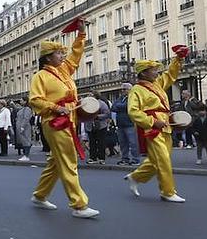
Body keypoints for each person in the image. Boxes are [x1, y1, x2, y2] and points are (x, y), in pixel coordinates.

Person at [28, 22, 100, 218]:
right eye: (59, 53)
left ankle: (40, 195)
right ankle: (79, 205)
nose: (62, 56)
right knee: (69, 161)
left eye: (62, 53)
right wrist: (55, 107)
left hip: (69, 120)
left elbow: (76, 55)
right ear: (47, 58)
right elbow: (35, 99)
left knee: (56, 161)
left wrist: (82, 34)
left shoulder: (63, 70)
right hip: (55, 122)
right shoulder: (40, 76)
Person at [125, 51, 187, 202]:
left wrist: (178, 59)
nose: (156, 72)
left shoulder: (157, 84)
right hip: (151, 128)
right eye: (153, 70)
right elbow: (133, 112)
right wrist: (152, 122)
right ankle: (167, 191)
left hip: (166, 125)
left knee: (157, 160)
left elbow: (170, 75)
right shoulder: (136, 89)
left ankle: (135, 176)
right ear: (144, 73)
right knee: (164, 160)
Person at [111, 85, 139, 165]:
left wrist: (119, 107)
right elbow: (113, 107)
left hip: (130, 123)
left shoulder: (133, 97)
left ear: (130, 89)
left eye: (124, 89)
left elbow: (128, 106)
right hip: (120, 124)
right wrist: (121, 107)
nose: (122, 90)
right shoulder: (120, 98)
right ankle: (125, 159)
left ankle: (135, 159)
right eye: (122, 89)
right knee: (123, 143)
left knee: (133, 142)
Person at [84, 93, 110, 165]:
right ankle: (93, 157)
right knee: (92, 142)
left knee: (101, 142)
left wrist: (97, 116)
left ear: (95, 96)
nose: (88, 96)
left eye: (90, 94)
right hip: (90, 125)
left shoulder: (101, 103)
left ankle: (101, 158)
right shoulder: (86, 104)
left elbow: (107, 114)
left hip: (101, 126)